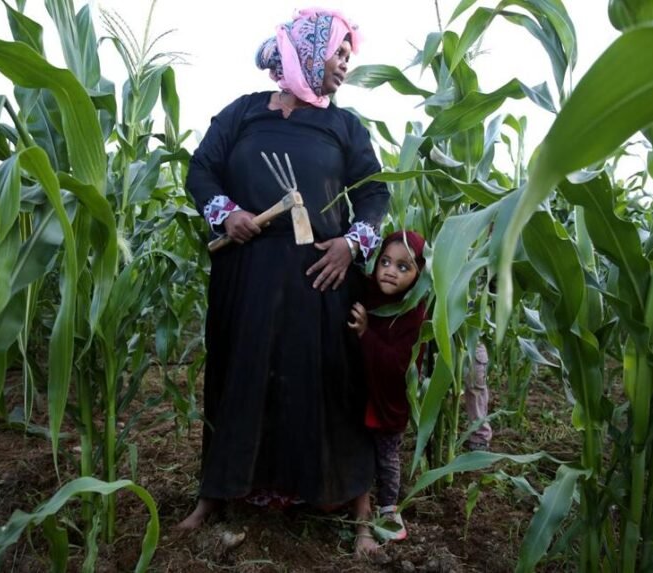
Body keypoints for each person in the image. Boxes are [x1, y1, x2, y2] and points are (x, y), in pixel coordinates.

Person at [180, 8, 390, 556]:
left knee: (328, 381)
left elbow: (374, 194)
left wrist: (351, 244)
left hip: (320, 279)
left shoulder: (344, 125)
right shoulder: (244, 113)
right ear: (306, 50)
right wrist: (226, 213)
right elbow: (201, 169)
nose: (344, 66)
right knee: (240, 375)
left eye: (348, 57)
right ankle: (217, 493)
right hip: (246, 275)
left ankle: (347, 500)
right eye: (337, 54)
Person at [347, 231, 428, 543]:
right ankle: (356, 499)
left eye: (404, 267)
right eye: (385, 262)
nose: (391, 271)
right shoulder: (370, 293)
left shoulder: (414, 315)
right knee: (361, 448)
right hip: (364, 392)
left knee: (386, 455)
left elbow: (399, 364)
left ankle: (389, 508)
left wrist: (366, 334)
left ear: (419, 275)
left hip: (389, 399)